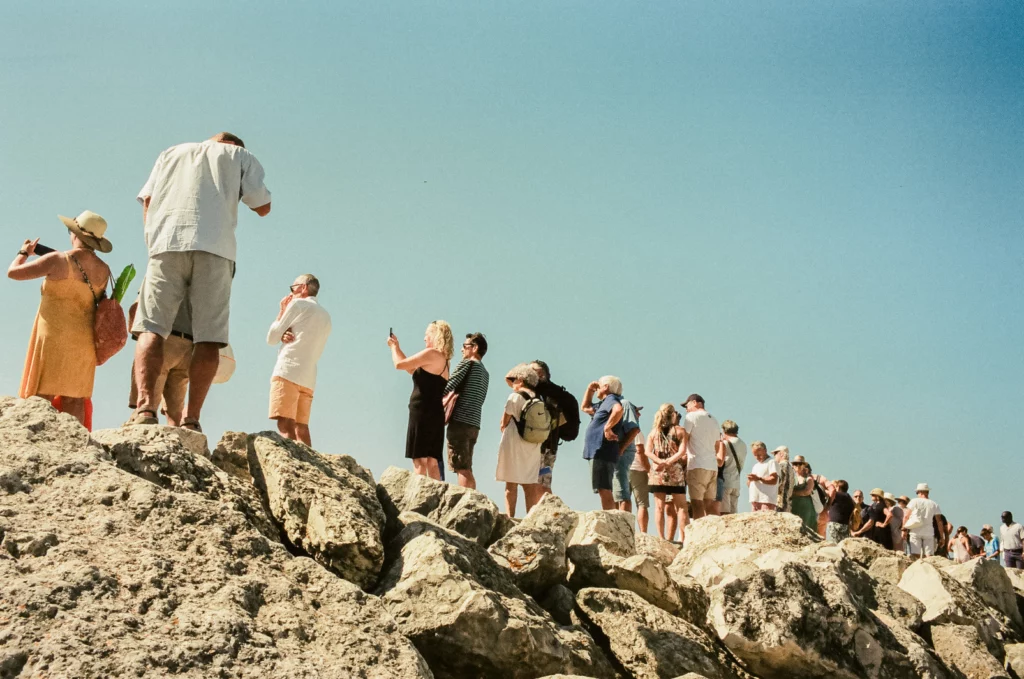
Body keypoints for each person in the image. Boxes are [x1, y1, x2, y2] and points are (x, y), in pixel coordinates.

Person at [131, 132, 272, 431]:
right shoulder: (239, 156)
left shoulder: (170, 152)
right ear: (233, 145)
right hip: (216, 247)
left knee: (151, 327)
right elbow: (262, 206)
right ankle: (191, 418)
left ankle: (144, 408)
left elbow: (147, 200)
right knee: (209, 337)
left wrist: (152, 239)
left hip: (166, 243)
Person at [9, 211, 113, 428]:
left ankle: (36, 442)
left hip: (53, 336)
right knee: (75, 398)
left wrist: (24, 251)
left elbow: (14, 272)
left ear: (75, 234)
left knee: (41, 396)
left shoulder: (57, 260)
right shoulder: (104, 270)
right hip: (83, 341)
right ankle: (76, 446)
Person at [267, 275, 331, 446]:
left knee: (285, 425)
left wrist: (281, 311)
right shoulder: (326, 316)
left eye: (292, 288)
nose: (291, 293)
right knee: (301, 428)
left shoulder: (297, 304)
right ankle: (311, 468)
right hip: (309, 376)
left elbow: (271, 338)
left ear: (302, 288)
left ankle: (292, 467)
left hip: (288, 370)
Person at [388, 321, 453, 479]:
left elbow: (399, 364)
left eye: (427, 334)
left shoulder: (431, 354)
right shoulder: (444, 361)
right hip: (435, 412)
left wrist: (393, 348)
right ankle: (437, 497)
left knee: (419, 459)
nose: (424, 338)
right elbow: (410, 368)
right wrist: (398, 346)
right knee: (432, 460)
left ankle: (420, 496)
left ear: (435, 335)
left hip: (422, 410)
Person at [128, 298, 193, 426]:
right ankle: (177, 436)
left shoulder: (158, 278)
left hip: (161, 340)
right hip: (189, 344)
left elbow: (135, 307)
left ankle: (142, 425)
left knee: (146, 405)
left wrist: (138, 335)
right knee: (175, 412)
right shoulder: (199, 282)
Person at [496, 364, 545, 517]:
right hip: (533, 444)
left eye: (515, 379)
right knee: (529, 485)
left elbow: (504, 421)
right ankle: (529, 517)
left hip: (514, 443)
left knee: (511, 484)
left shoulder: (515, 397)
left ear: (522, 380)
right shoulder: (538, 398)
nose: (513, 383)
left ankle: (510, 517)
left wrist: (503, 426)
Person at [443, 333, 490, 489]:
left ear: (474, 348)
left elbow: (448, 386)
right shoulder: (485, 373)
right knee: (467, 465)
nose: (462, 350)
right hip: (474, 423)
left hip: (460, 422)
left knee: (460, 466)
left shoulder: (467, 364)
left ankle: (468, 501)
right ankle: (472, 499)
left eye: (465, 346)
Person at [530, 360, 580, 499]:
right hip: (550, 447)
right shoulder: (558, 393)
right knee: (543, 484)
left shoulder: (535, 392)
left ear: (541, 373)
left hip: (537, 445)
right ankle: (544, 513)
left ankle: (539, 515)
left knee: (534, 483)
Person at [581, 376, 630, 510]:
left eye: (600, 385)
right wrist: (590, 390)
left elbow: (618, 410)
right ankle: (610, 518)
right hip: (598, 449)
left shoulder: (611, 400)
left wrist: (607, 428)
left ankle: (610, 520)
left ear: (606, 387)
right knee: (603, 487)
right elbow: (585, 407)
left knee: (604, 488)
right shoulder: (604, 403)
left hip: (602, 448)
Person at [645, 404, 687, 541]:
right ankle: (684, 538)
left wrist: (659, 461)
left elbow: (647, 451)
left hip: (658, 471)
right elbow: (682, 452)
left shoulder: (653, 432)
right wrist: (669, 462)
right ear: (673, 414)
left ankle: (661, 538)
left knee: (659, 507)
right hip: (675, 470)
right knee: (681, 506)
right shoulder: (680, 431)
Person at [680, 394, 721, 520]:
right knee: (709, 504)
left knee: (697, 504)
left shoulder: (691, 417)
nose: (686, 409)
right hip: (712, 466)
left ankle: (699, 535)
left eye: (687, 405)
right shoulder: (714, 419)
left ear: (694, 402)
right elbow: (717, 445)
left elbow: (684, 438)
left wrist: (682, 454)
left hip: (697, 464)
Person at [614, 401, 643, 513]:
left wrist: (621, 449)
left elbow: (640, 451)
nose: (639, 414)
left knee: (622, 492)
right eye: (637, 411)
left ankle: (623, 524)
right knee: (616, 492)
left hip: (626, 459)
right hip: (626, 460)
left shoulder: (634, 428)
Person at [903, 483, 943, 560]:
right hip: (929, 531)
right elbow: (939, 521)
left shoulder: (914, 501)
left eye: (917, 492)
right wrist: (942, 537)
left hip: (915, 530)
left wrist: (903, 529)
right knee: (929, 555)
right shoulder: (934, 504)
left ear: (920, 492)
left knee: (915, 555)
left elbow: (906, 516)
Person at [718, 420, 747, 515]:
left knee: (724, 513)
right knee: (733, 514)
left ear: (724, 430)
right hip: (736, 481)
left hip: (726, 480)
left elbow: (719, 460)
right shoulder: (743, 444)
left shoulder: (725, 444)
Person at [628, 422, 651, 533]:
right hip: (637, 468)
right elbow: (640, 451)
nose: (639, 414)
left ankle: (624, 532)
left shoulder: (618, 428)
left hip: (623, 468)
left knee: (623, 500)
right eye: (636, 412)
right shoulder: (636, 430)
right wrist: (648, 469)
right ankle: (643, 533)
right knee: (642, 504)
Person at [747, 441, 779, 511]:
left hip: (766, 500)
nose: (757, 457)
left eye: (759, 454)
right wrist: (750, 480)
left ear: (765, 451)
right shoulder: (756, 466)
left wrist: (759, 479)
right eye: (755, 455)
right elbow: (750, 484)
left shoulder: (771, 462)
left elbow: (774, 479)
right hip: (755, 500)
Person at [790, 456, 819, 533]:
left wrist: (793, 493)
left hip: (806, 508)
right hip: (794, 506)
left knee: (807, 529)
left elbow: (807, 491)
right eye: (795, 464)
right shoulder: (792, 478)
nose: (797, 466)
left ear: (803, 465)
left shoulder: (809, 478)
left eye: (800, 464)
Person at [772, 446, 796, 514]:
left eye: (775, 453)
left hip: (779, 503)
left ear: (781, 454)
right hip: (787, 503)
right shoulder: (790, 468)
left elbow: (780, 484)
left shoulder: (781, 466)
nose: (774, 456)